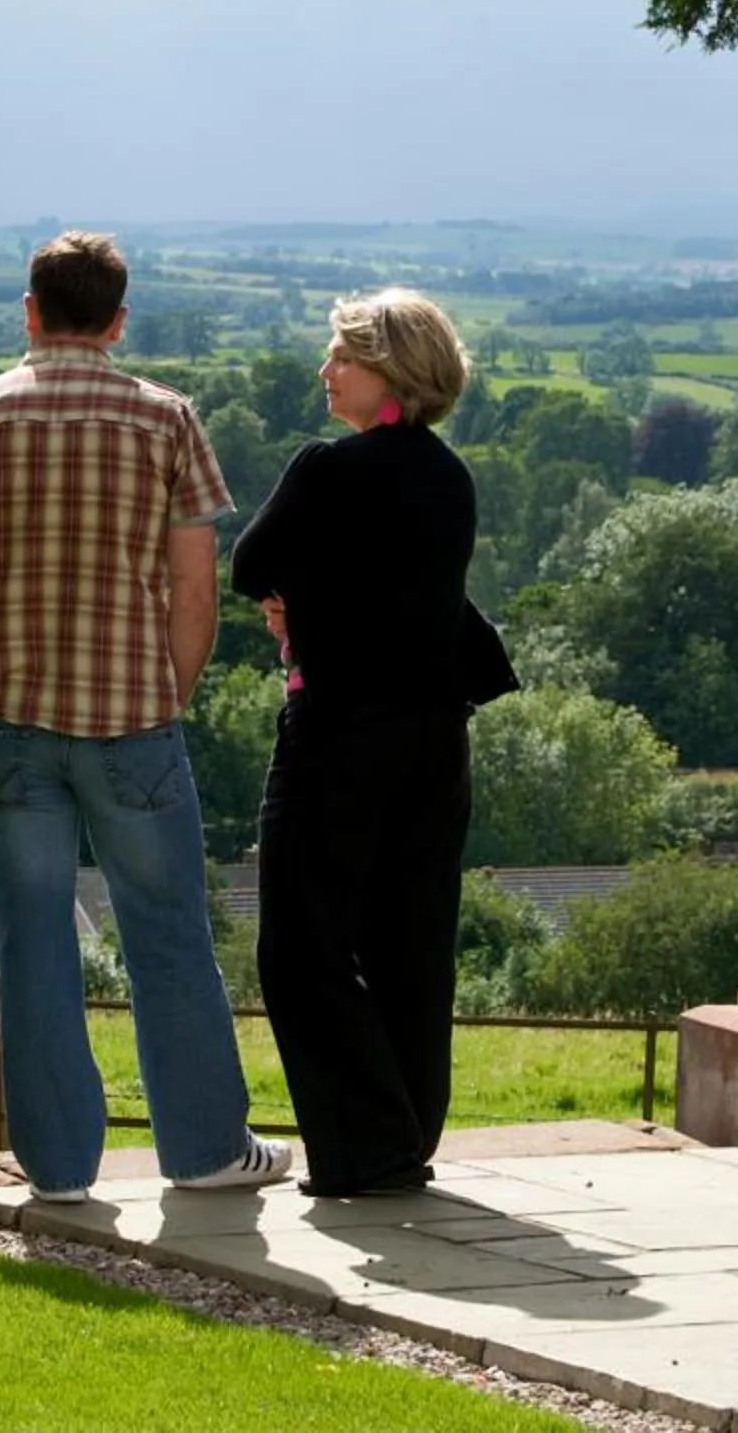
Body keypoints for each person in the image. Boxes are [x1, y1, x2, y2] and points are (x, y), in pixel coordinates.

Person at [0, 231, 290, 1203]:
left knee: (32, 942)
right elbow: (195, 594)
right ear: (118, 321)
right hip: (133, 721)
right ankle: (204, 1150)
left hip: (12, 724)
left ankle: (59, 1168)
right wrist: (168, 694)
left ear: (30, 312)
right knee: (168, 936)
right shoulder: (167, 420)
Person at [230, 287, 515, 1197]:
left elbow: (249, 564)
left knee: (300, 945)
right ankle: (405, 1136)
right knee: (411, 943)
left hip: (339, 735)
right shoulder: (452, 477)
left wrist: (300, 600)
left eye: (341, 357)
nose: (326, 371)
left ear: (385, 372)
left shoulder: (328, 468)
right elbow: (408, 593)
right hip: (435, 740)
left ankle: (366, 1146)